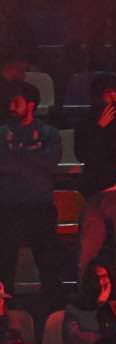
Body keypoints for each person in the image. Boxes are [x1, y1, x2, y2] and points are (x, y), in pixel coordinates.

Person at [75, 75, 116, 294]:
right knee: (86, 254)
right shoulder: (86, 124)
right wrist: (99, 128)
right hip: (94, 194)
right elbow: (83, 154)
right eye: (107, 93)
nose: (113, 98)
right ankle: (87, 299)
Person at [0, 80, 62, 310]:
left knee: (48, 265)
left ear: (31, 105)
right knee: (4, 265)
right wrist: (31, 158)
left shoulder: (49, 133)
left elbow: (49, 163)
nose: (11, 106)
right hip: (8, 208)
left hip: (40, 207)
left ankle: (53, 314)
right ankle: (4, 314)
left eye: (17, 102)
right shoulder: (1, 133)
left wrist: (16, 159)